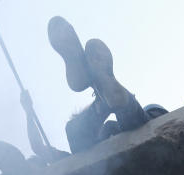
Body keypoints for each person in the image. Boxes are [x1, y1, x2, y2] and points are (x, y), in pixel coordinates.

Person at [47, 16, 166, 154]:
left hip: (151, 120)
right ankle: (104, 88)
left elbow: (39, 149)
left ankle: (102, 92)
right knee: (118, 120)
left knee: (77, 132)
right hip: (126, 132)